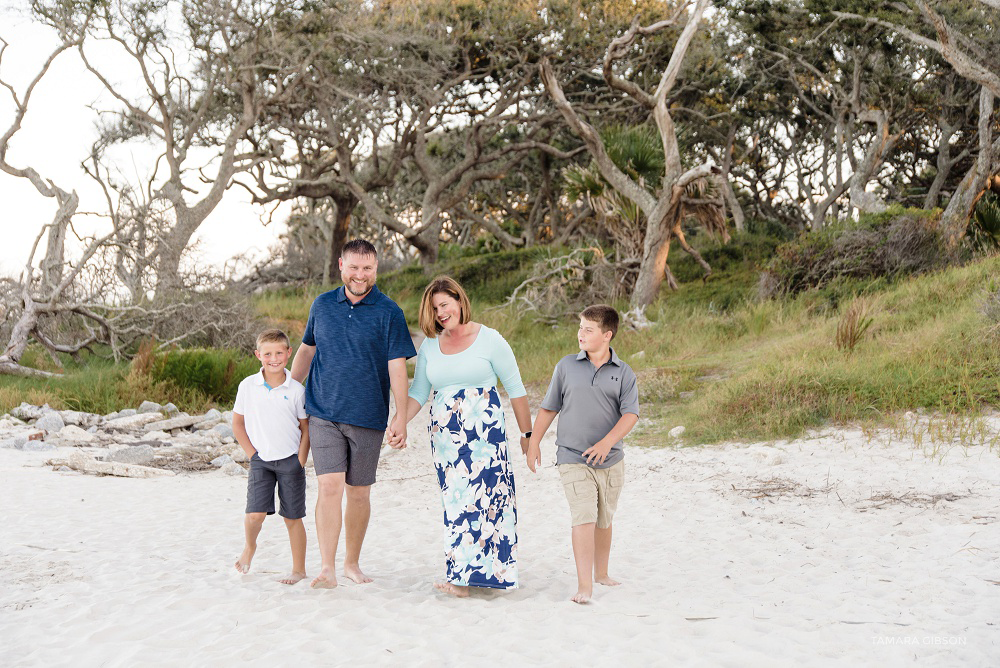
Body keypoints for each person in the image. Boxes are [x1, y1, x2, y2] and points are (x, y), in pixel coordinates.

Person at [392, 276, 533, 598]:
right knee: (457, 505)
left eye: (444, 304)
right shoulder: (429, 346)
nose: (441, 313)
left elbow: (516, 389)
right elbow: (419, 391)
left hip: (486, 436)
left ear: (459, 301)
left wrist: (528, 435)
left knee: (491, 501)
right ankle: (462, 575)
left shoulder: (490, 339)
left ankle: (490, 575)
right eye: (434, 308)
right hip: (447, 441)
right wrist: (400, 420)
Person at [290, 239, 416, 589]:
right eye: (355, 267)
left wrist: (401, 417)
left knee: (358, 492)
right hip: (323, 412)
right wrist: (285, 392)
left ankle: (351, 562)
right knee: (329, 486)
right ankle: (327, 567)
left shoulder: (389, 312)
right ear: (342, 265)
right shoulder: (322, 305)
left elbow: (397, 370)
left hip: (368, 415)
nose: (361, 275)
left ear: (376, 269)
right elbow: (306, 350)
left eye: (368, 268)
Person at [525, 304, 639, 604]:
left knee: (604, 518)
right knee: (584, 517)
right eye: (580, 327)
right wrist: (535, 441)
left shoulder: (624, 373)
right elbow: (550, 407)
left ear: (607, 335)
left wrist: (606, 443)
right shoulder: (566, 367)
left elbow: (630, 415)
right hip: (572, 456)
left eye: (588, 329)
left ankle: (601, 573)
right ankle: (584, 585)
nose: (581, 334)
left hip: (611, 459)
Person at [232, 328, 310, 585]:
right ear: (258, 355)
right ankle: (250, 547)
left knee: (292, 517)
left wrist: (300, 460)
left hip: (290, 460)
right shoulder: (247, 386)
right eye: (268, 353)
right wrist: (252, 455)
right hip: (261, 461)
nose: (273, 358)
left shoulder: (297, 390)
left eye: (279, 352)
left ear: (289, 353)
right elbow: (238, 425)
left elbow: (305, 428)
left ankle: (298, 570)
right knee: (255, 514)